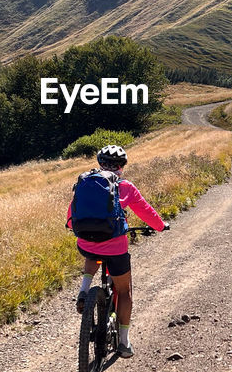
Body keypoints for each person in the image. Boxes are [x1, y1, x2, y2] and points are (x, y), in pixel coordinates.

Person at [66, 144, 166, 358]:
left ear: (100, 163)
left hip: (85, 241)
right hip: (116, 248)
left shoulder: (86, 181)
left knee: (92, 251)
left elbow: (72, 212)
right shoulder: (126, 187)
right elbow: (145, 210)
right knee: (124, 291)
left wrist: (71, 225)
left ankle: (84, 289)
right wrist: (160, 226)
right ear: (121, 166)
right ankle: (123, 341)